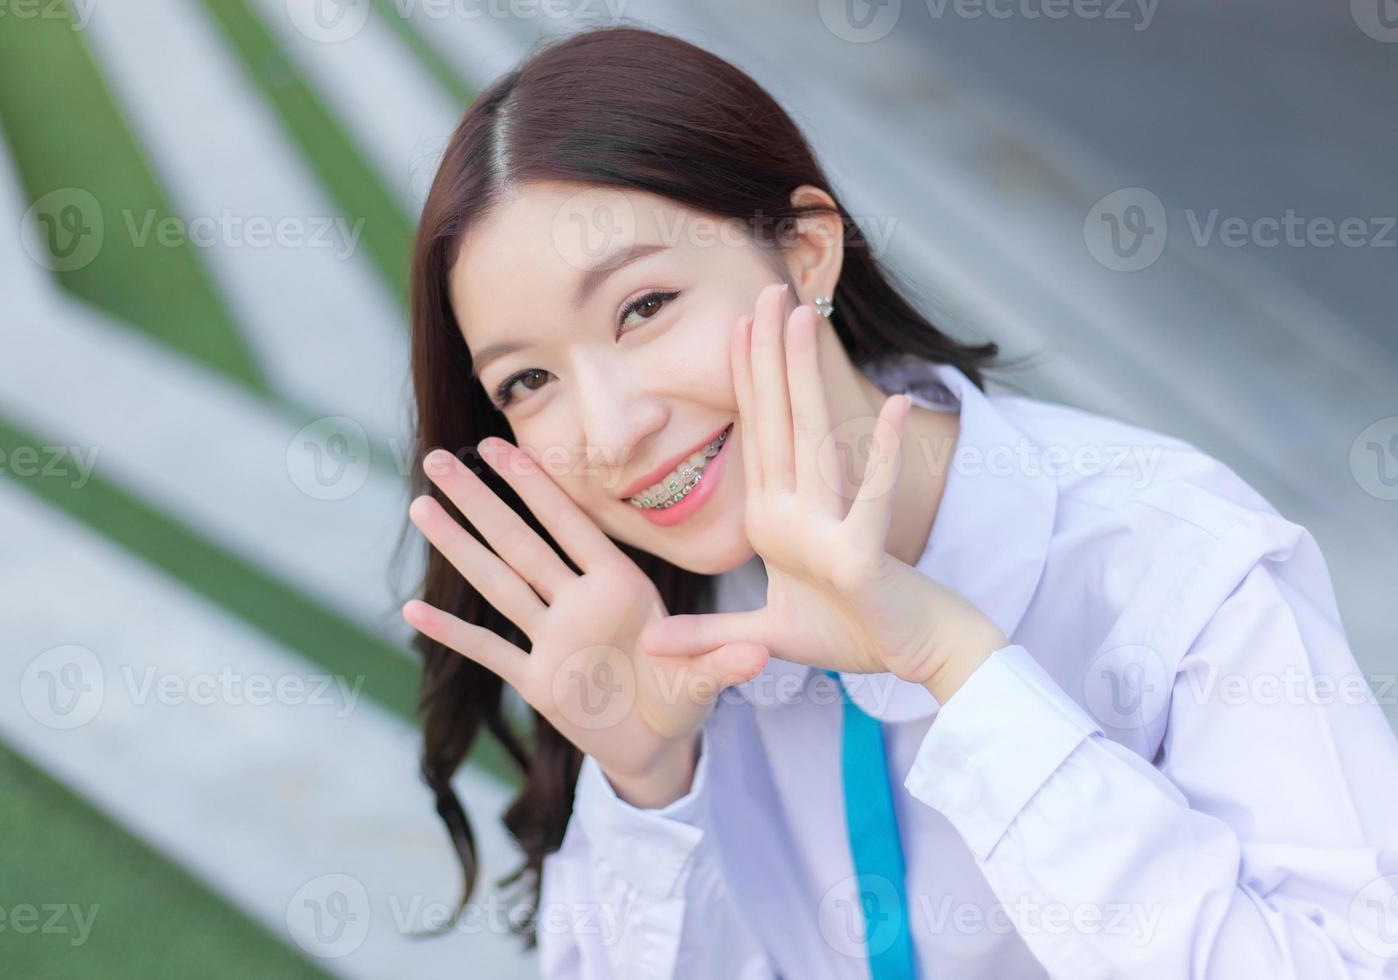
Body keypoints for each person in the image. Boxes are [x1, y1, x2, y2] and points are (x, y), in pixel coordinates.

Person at [398, 23, 1398, 979]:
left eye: (644, 307)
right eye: (528, 381)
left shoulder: (1174, 560)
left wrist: (957, 666)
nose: (609, 432)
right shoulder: (653, 631)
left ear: (806, 252)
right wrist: (647, 782)